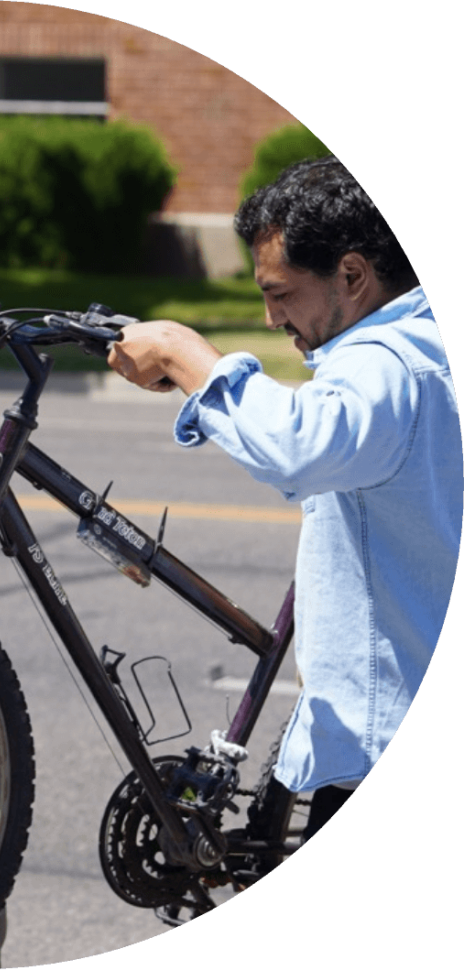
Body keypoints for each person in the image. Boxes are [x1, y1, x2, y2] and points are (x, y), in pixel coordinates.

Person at [107, 156, 462, 852]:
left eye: (281, 293)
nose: (271, 318)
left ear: (353, 276)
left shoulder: (387, 364)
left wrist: (183, 353)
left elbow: (300, 444)